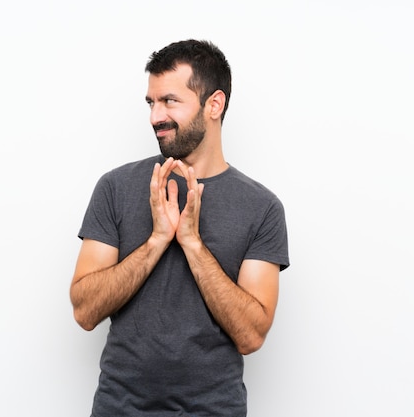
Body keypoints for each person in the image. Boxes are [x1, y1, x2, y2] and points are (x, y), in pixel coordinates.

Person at [70, 39, 289, 417]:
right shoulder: (116, 187)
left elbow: (252, 335)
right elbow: (84, 311)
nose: (156, 116)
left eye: (169, 101)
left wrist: (191, 243)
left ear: (214, 105)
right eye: (151, 103)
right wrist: (156, 241)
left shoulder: (261, 208)